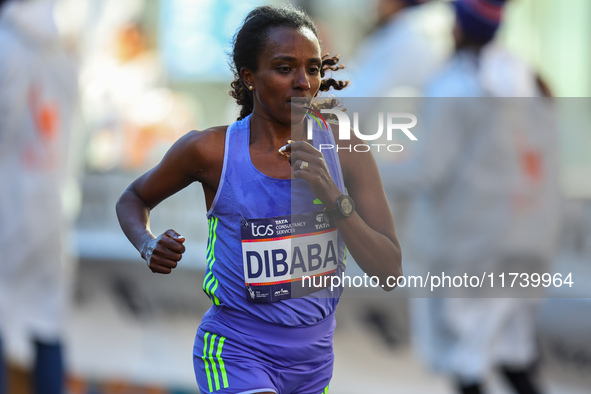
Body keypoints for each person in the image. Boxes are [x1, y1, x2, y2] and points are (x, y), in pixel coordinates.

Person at [116, 5, 402, 394]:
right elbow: (133, 197)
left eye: (313, 68)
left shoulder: (345, 148)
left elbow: (389, 270)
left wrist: (333, 197)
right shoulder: (212, 151)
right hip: (236, 350)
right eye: (285, 68)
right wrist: (148, 244)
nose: (303, 82)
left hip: (313, 360)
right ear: (250, 77)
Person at [381, 0, 561, 393]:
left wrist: (359, 171)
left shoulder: (454, 85)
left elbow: (426, 170)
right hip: (527, 240)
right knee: (515, 355)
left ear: (458, 27)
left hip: (475, 247)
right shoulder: (527, 77)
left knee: (469, 362)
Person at [0, 0, 78, 393]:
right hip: (51, 201)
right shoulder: (63, 49)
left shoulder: (6, 44)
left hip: (8, 202)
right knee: (48, 319)